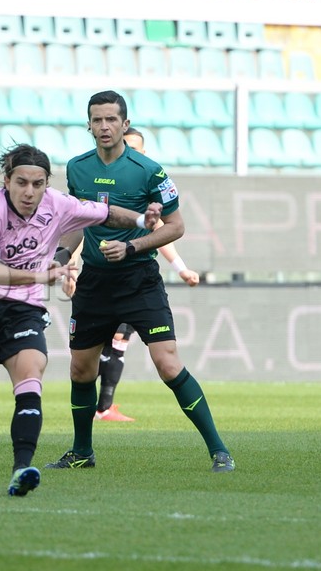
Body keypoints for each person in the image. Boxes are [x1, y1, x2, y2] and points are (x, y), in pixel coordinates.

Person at [0, 143, 162, 497]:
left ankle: (21, 470)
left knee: (31, 374)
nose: (29, 192)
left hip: (24, 307)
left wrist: (140, 221)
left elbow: (104, 213)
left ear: (46, 184)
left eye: (38, 183)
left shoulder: (58, 203)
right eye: (22, 182)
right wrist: (39, 276)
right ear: (7, 180)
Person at [46, 90, 235, 472]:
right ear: (88, 125)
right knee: (81, 370)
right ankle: (82, 452)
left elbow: (176, 226)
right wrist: (62, 257)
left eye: (111, 119)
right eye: (97, 119)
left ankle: (219, 450)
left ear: (125, 124)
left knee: (168, 364)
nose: (104, 126)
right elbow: (78, 222)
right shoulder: (77, 168)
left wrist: (132, 247)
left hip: (139, 280)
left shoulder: (149, 171)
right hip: (95, 282)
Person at [91, 127, 201, 422]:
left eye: (136, 149)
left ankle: (103, 407)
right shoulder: (99, 184)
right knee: (98, 350)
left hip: (134, 280)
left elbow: (162, 233)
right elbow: (81, 226)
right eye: (127, 146)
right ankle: (101, 410)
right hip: (101, 279)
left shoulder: (144, 187)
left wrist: (181, 269)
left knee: (118, 342)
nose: (131, 153)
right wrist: (71, 265)